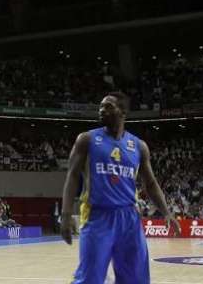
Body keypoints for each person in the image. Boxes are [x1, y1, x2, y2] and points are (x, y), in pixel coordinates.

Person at [60, 92, 181, 284]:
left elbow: (150, 183)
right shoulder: (87, 139)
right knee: (90, 278)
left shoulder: (139, 146)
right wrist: (66, 215)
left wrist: (166, 212)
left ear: (123, 112)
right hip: (97, 215)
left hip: (129, 218)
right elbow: (73, 176)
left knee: (136, 279)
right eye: (100, 106)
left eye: (108, 106)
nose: (101, 110)